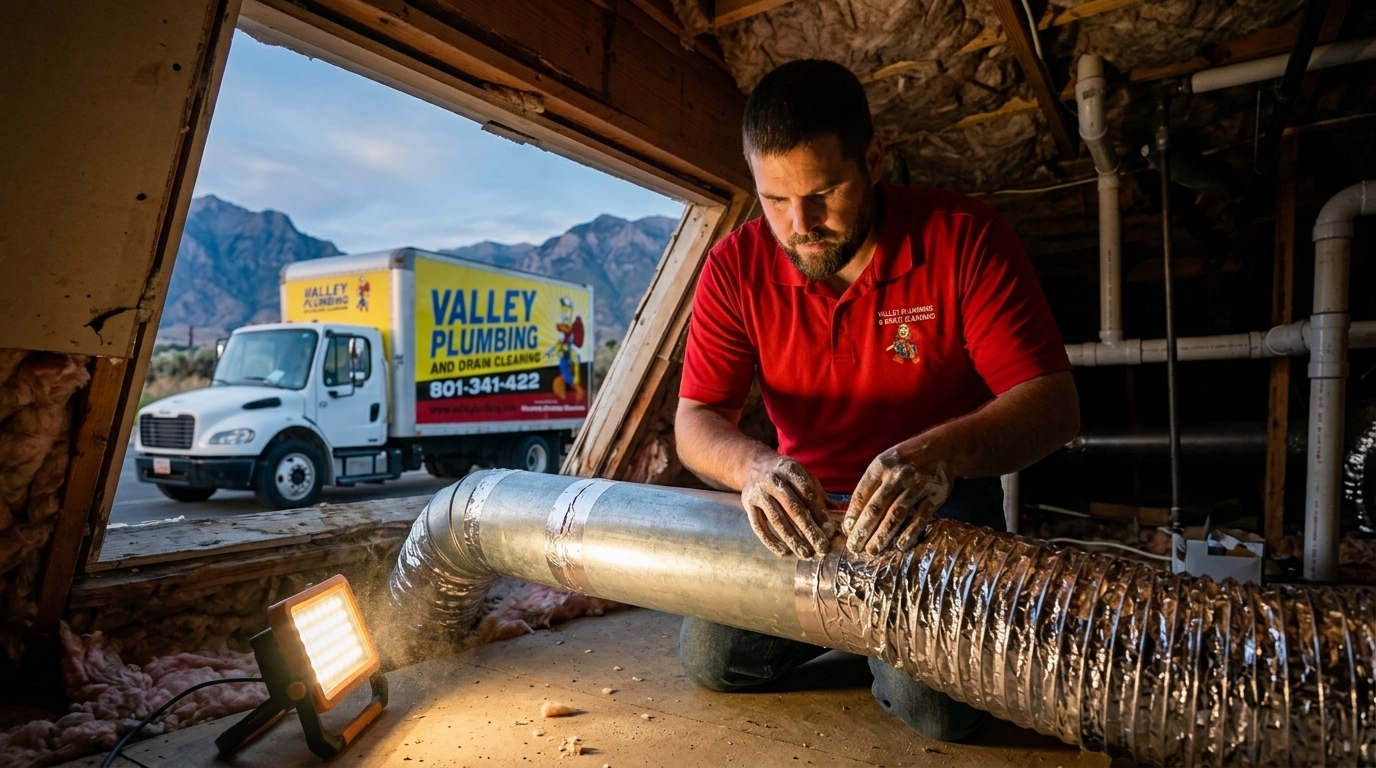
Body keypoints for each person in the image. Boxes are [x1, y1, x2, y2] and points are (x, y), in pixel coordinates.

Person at [674, 59, 1080, 742]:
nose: (799, 225)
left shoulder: (964, 237)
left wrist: (938, 453)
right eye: (775, 200)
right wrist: (755, 471)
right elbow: (695, 419)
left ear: (873, 159)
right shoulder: (733, 267)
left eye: (823, 192)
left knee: (939, 711)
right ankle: (882, 635)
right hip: (804, 508)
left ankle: (896, 647)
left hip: (938, 498)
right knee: (712, 658)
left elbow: (1052, 402)